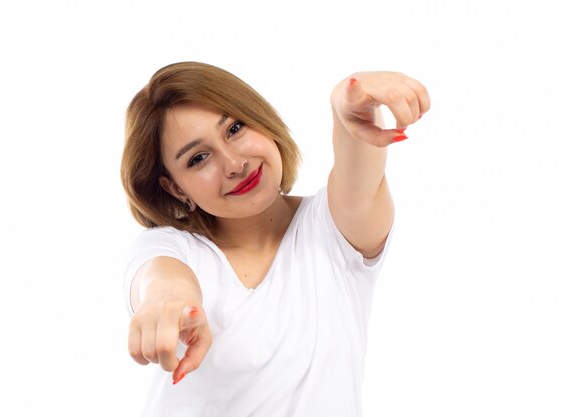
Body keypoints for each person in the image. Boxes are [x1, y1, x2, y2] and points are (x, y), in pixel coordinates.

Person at [120, 62, 430, 416]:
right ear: (175, 187)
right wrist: (169, 302)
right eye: (199, 158)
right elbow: (162, 279)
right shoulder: (171, 247)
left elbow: (359, 178)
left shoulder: (333, 231)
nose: (235, 164)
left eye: (235, 128)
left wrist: (354, 111)